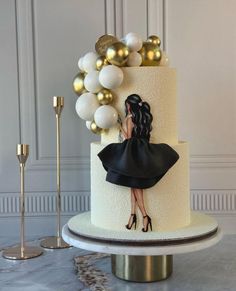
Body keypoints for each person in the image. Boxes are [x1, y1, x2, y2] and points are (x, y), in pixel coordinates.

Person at [98, 94, 179, 232]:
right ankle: (133, 216)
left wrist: (120, 125)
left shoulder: (129, 119)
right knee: (133, 186)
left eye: (127, 105)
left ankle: (144, 216)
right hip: (142, 155)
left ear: (129, 105)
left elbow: (128, 137)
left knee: (135, 187)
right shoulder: (143, 120)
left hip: (131, 156)